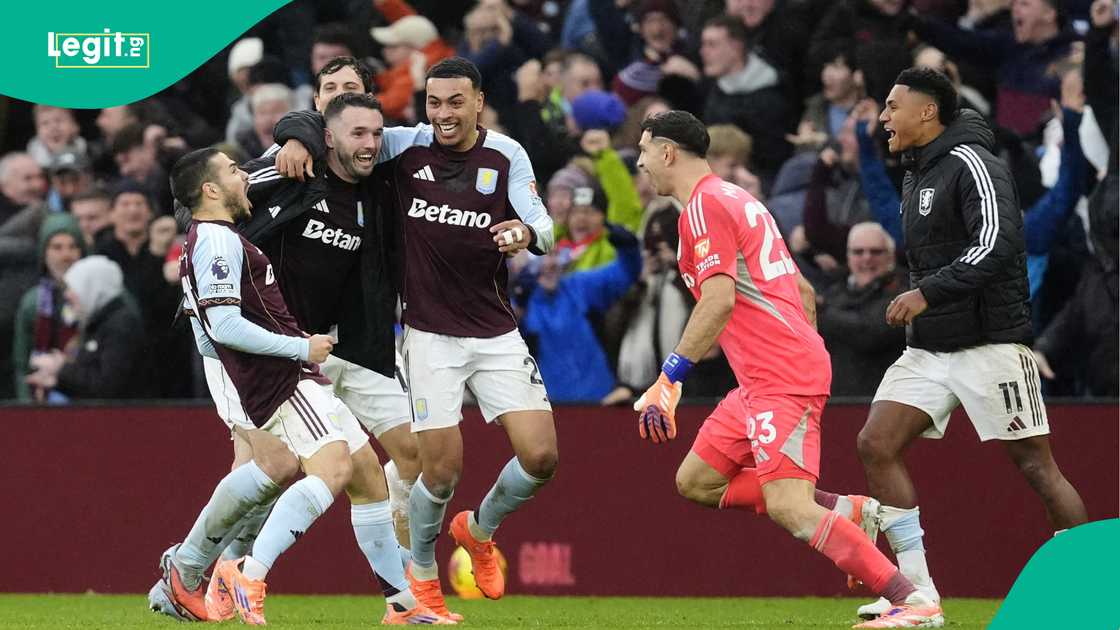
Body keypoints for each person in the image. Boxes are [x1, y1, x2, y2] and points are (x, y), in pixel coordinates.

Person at [272, 57, 556, 622]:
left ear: (479, 102)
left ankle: (479, 531)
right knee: (440, 470)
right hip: (428, 335)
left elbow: (544, 225)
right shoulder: (404, 145)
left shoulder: (506, 154)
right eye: (434, 102)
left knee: (542, 457)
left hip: (496, 330)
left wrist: (525, 232)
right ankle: (423, 575)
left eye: (456, 102)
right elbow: (338, 129)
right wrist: (296, 136)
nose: (443, 114)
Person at [633, 110, 942, 629]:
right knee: (697, 481)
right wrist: (801, 349)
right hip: (764, 377)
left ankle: (912, 601)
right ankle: (848, 513)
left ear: (667, 152)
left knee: (789, 506)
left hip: (778, 375)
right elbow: (802, 290)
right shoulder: (740, 198)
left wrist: (671, 376)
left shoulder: (704, 208)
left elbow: (718, 300)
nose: (640, 162)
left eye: (644, 151)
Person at [151, 148, 446, 626]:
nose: (245, 176)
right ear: (210, 189)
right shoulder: (216, 241)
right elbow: (223, 326)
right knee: (330, 469)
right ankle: (247, 573)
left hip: (289, 373)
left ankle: (401, 603)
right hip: (283, 377)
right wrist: (298, 348)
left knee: (366, 475)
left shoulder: (211, 240)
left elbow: (206, 336)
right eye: (233, 171)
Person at [856, 67, 1088, 621]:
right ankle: (915, 595)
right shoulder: (916, 172)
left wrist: (926, 293)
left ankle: (1089, 588)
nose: (883, 118)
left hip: (991, 344)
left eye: (892, 106)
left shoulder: (973, 162)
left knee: (1037, 468)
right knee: (875, 443)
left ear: (927, 111)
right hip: (930, 347)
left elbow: (998, 243)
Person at [23, 255, 145, 400]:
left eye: (74, 288)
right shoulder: (97, 321)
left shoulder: (122, 325)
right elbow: (88, 380)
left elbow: (106, 387)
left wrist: (61, 368)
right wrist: (57, 380)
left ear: (93, 289)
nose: (67, 295)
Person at [817, 222, 906, 397]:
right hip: (837, 403)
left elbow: (869, 333)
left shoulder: (905, 294)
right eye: (858, 252)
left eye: (876, 252)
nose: (867, 258)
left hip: (886, 400)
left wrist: (822, 310)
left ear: (891, 255)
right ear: (848, 256)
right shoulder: (833, 291)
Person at [11, 214, 85, 402]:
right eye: (57, 247)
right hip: (40, 400)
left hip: (86, 399)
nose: (66, 255)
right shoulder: (32, 302)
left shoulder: (95, 297)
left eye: (72, 247)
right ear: (44, 253)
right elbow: (22, 363)